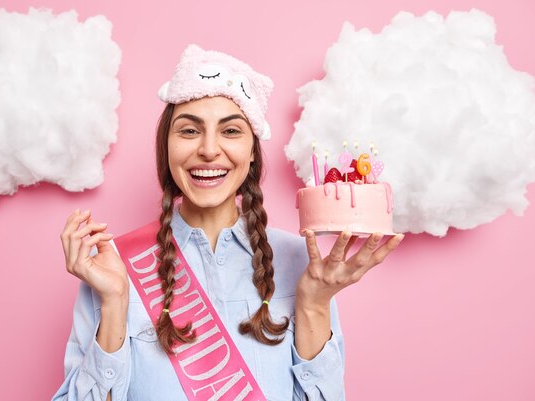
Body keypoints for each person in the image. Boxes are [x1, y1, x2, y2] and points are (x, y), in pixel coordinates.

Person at [52, 44, 404, 401]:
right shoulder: (114, 265)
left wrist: (313, 304)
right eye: (189, 131)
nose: (208, 149)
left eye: (231, 131)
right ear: (166, 147)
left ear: (252, 151)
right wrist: (114, 303)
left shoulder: (302, 263)